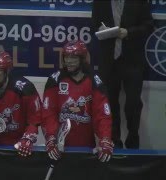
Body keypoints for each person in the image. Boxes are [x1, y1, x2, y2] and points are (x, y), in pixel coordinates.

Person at [91, 0, 154, 148]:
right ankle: (114, 142)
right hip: (109, 62)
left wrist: (128, 32)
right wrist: (102, 29)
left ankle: (133, 140)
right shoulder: (100, 2)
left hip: (132, 62)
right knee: (110, 103)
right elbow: (94, 24)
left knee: (133, 103)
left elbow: (148, 25)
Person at [42, 40, 114, 162]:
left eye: (73, 57)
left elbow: (102, 115)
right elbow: (49, 113)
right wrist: (50, 137)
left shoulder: (94, 81)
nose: (68, 61)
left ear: (82, 59)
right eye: (66, 57)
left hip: (87, 149)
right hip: (60, 149)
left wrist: (105, 139)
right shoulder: (55, 80)